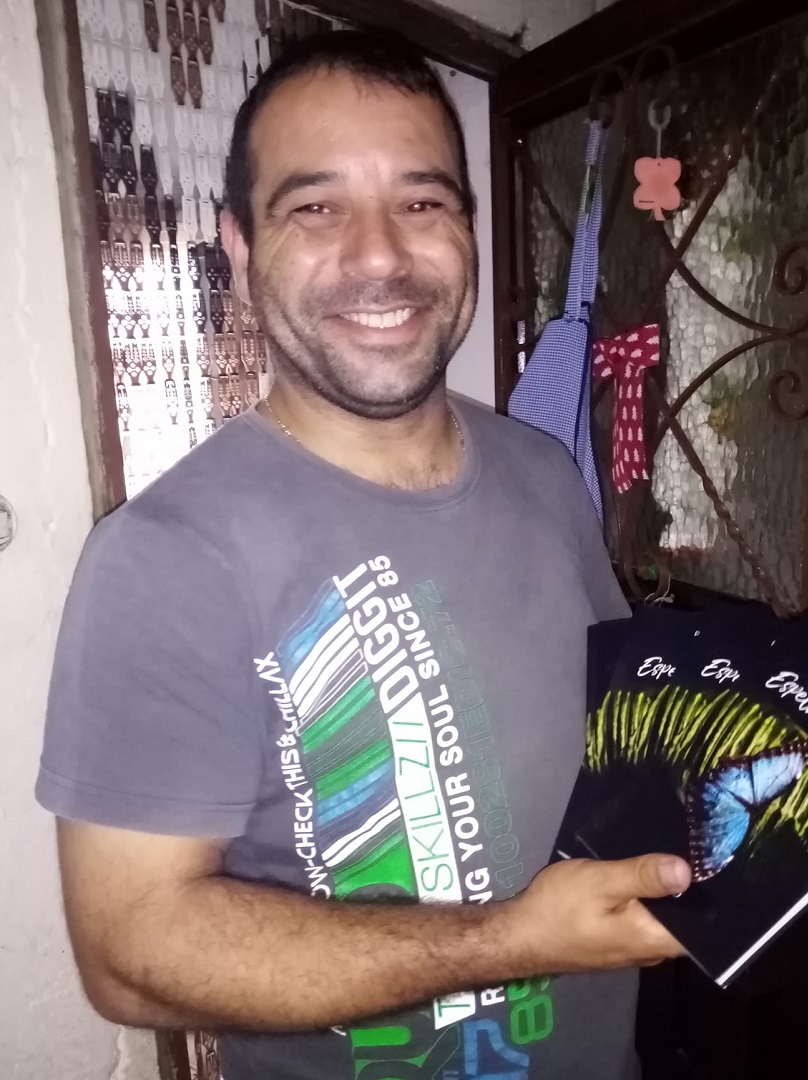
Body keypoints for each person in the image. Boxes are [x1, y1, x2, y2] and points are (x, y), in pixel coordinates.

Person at [36, 30, 691, 1080]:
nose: (380, 255)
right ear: (240, 246)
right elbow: (131, 956)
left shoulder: (544, 472)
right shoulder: (163, 560)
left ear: (466, 229)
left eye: (421, 201)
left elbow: (615, 740)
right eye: (315, 207)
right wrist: (512, 942)